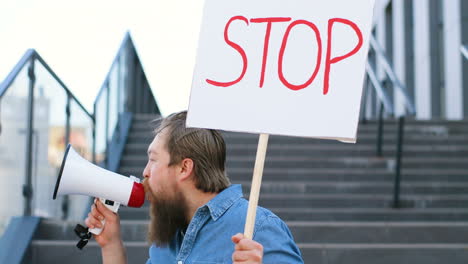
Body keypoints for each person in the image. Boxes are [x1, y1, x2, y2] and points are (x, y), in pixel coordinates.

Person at [85, 110, 303, 263]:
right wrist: (111, 246)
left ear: (184, 168)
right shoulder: (167, 239)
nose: (145, 172)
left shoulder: (258, 228)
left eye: (153, 159)